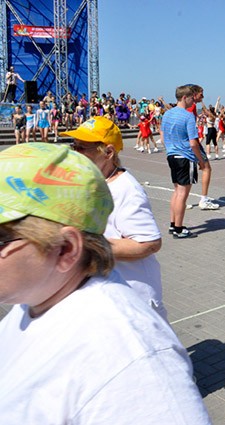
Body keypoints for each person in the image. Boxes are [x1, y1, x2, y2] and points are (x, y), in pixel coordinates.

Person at [0, 143, 212, 424]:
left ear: (65, 249)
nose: (80, 149)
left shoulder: (130, 364)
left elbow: (149, 242)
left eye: (3, 238)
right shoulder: (34, 299)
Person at [62, 117, 167, 319]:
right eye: (73, 147)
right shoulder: (91, 181)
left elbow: (149, 243)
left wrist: (85, 246)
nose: (75, 154)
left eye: (82, 148)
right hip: (107, 293)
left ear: (108, 153)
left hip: (133, 298)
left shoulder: (126, 190)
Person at [161, 85, 206, 239]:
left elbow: (162, 135)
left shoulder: (167, 114)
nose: (194, 100)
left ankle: (173, 224)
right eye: (192, 97)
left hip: (172, 155)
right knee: (182, 194)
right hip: (185, 157)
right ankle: (179, 229)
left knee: (176, 191)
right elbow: (193, 143)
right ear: (185, 97)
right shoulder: (188, 116)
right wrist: (201, 161)